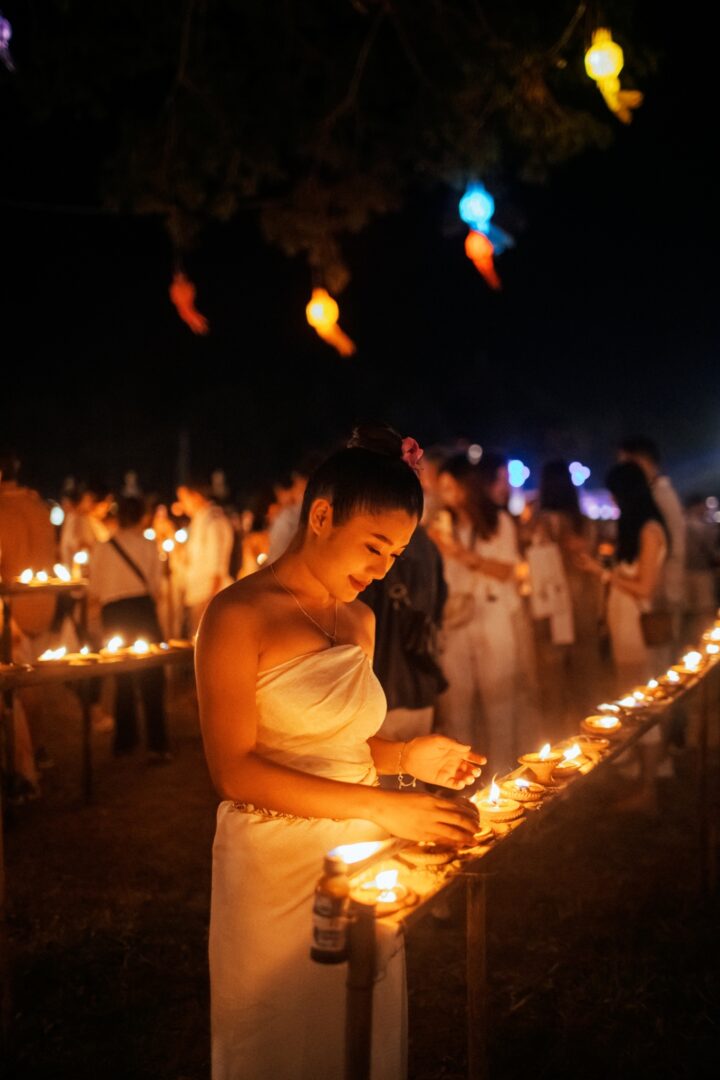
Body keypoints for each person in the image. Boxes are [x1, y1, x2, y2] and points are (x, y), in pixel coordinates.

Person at [195, 424, 484, 1080]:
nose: (382, 569)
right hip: (272, 863)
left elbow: (337, 741)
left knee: (360, 1024)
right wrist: (387, 809)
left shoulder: (359, 619)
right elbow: (233, 770)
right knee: (278, 1031)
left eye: (396, 555)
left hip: (357, 849)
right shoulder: (239, 615)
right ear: (321, 515)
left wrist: (407, 758)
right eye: (374, 547)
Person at [429, 451, 531, 776]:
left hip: (493, 616)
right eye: (440, 488)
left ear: (466, 486)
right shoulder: (440, 525)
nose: (444, 495)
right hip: (456, 622)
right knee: (457, 708)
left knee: (500, 704)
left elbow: (508, 571)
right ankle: (464, 780)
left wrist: (459, 553)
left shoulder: (497, 521)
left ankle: (503, 777)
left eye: (449, 487)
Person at [577, 461, 670, 813]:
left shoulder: (649, 530)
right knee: (632, 700)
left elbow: (645, 586)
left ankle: (648, 787)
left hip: (637, 627)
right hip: (624, 626)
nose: (614, 502)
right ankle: (642, 781)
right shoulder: (638, 528)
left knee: (643, 704)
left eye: (616, 495)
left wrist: (603, 574)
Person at [523, 460, 605, 736]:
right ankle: (592, 745)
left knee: (553, 692)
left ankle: (557, 750)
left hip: (549, 610)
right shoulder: (584, 523)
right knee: (587, 688)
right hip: (582, 608)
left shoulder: (537, 521)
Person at [88, 496, 171, 762]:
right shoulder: (148, 545)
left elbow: (95, 590)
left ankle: (125, 740)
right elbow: (157, 588)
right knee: (152, 677)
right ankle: (157, 744)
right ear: (141, 517)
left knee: (121, 676)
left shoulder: (102, 548)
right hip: (143, 610)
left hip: (114, 613)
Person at [363, 522, 448, 769]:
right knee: (415, 776)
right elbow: (440, 602)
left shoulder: (373, 545)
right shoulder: (427, 544)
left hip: (380, 683)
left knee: (384, 780)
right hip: (420, 679)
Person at [618, 437, 686, 661]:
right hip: (661, 590)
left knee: (659, 667)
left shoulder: (659, 496)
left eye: (626, 465)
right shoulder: (658, 494)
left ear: (640, 462)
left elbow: (671, 547)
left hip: (661, 592)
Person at [175, 476, 234, 635]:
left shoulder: (213, 520)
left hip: (207, 596)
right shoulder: (200, 520)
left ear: (196, 496)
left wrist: (211, 601)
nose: (182, 504)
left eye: (184, 498)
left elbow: (217, 566)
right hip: (198, 595)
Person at [683, 493, 720, 644]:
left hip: (684, 573)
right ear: (697, 505)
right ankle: (705, 647)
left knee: (691, 615)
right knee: (704, 613)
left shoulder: (681, 523)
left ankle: (692, 644)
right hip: (701, 573)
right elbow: (712, 551)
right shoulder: (700, 526)